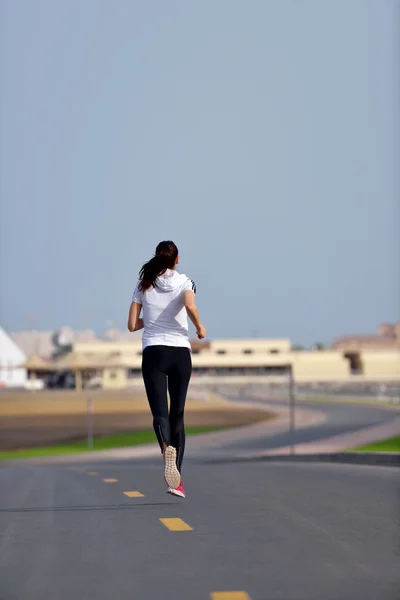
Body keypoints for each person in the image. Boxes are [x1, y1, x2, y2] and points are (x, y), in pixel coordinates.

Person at [127, 241, 206, 498]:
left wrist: (151, 319)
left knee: (160, 414)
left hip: (153, 353)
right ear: (177, 259)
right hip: (180, 353)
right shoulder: (186, 281)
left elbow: (131, 325)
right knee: (178, 415)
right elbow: (190, 305)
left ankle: (165, 448)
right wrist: (199, 328)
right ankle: (177, 482)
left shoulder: (143, 285)